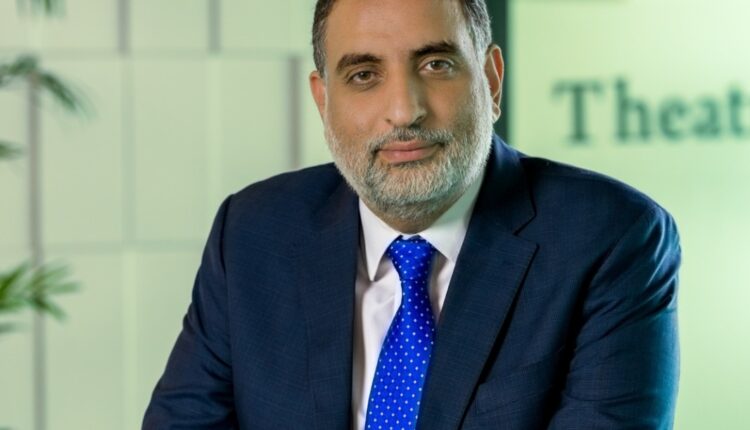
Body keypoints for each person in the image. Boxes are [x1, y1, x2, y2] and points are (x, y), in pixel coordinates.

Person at [143, 0, 681, 428]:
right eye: (363, 75)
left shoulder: (610, 238)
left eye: (436, 64)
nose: (404, 111)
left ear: (491, 80)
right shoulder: (252, 233)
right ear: (322, 100)